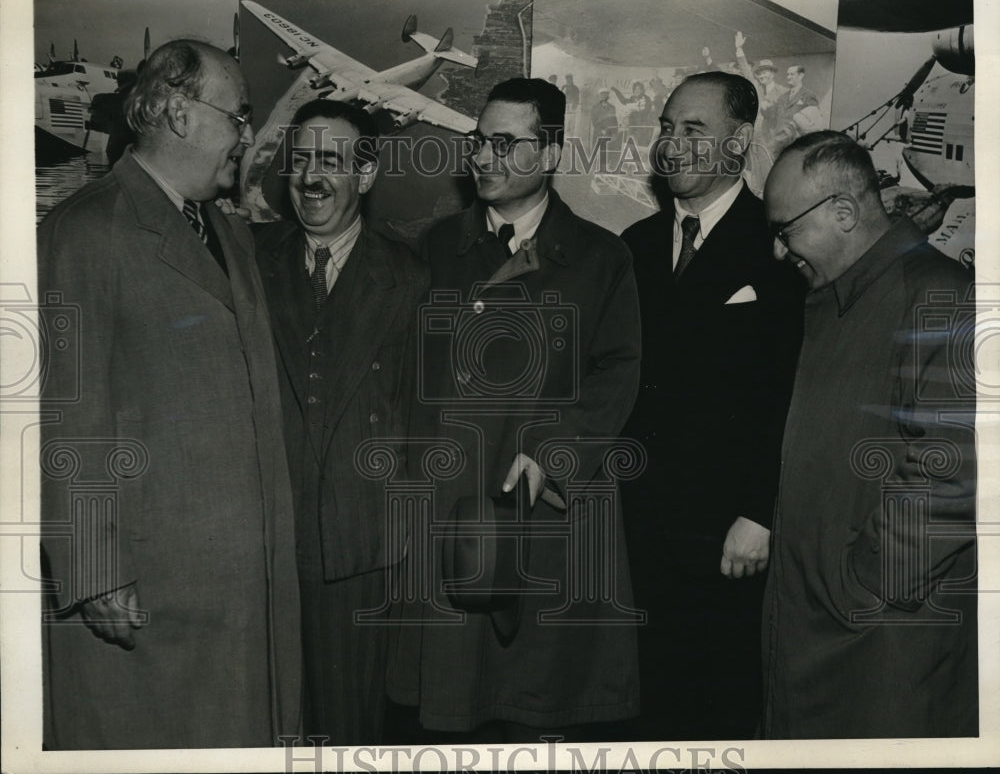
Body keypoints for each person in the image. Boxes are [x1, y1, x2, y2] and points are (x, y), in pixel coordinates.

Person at [37, 40, 301, 749]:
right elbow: (66, 414)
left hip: (238, 585)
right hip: (153, 593)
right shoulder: (85, 230)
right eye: (238, 116)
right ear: (181, 116)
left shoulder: (225, 232)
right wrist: (93, 572)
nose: (247, 135)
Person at [385, 77, 642, 742]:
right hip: (447, 504)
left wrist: (559, 452)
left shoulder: (601, 257)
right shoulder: (434, 248)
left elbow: (619, 368)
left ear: (551, 152)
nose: (484, 157)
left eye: (506, 142)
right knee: (446, 712)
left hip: (543, 506)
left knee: (533, 710)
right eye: (479, 141)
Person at [761, 131, 977, 738]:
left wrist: (859, 585)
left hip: (877, 640)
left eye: (786, 231)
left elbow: (953, 477)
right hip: (824, 625)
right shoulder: (841, 299)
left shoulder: (943, 298)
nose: (780, 253)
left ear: (844, 213)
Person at [619, 71, 805, 740]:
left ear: (739, 140)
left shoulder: (781, 247)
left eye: (694, 130)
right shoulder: (632, 248)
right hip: (633, 526)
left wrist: (761, 510)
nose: (672, 145)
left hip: (729, 537)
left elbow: (790, 390)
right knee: (639, 707)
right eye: (667, 128)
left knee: (721, 708)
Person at [252, 99, 428, 744]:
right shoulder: (246, 262)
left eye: (330, 160)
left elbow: (426, 426)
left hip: (364, 553)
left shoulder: (411, 278)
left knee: (350, 735)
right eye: (300, 159)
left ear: (367, 174)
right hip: (263, 545)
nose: (310, 176)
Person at [770, 65, 822, 157]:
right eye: (787, 74)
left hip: (797, 145)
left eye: (792, 74)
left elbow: (813, 123)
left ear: (801, 76)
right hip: (778, 145)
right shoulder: (782, 97)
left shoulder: (809, 95)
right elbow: (773, 117)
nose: (788, 77)